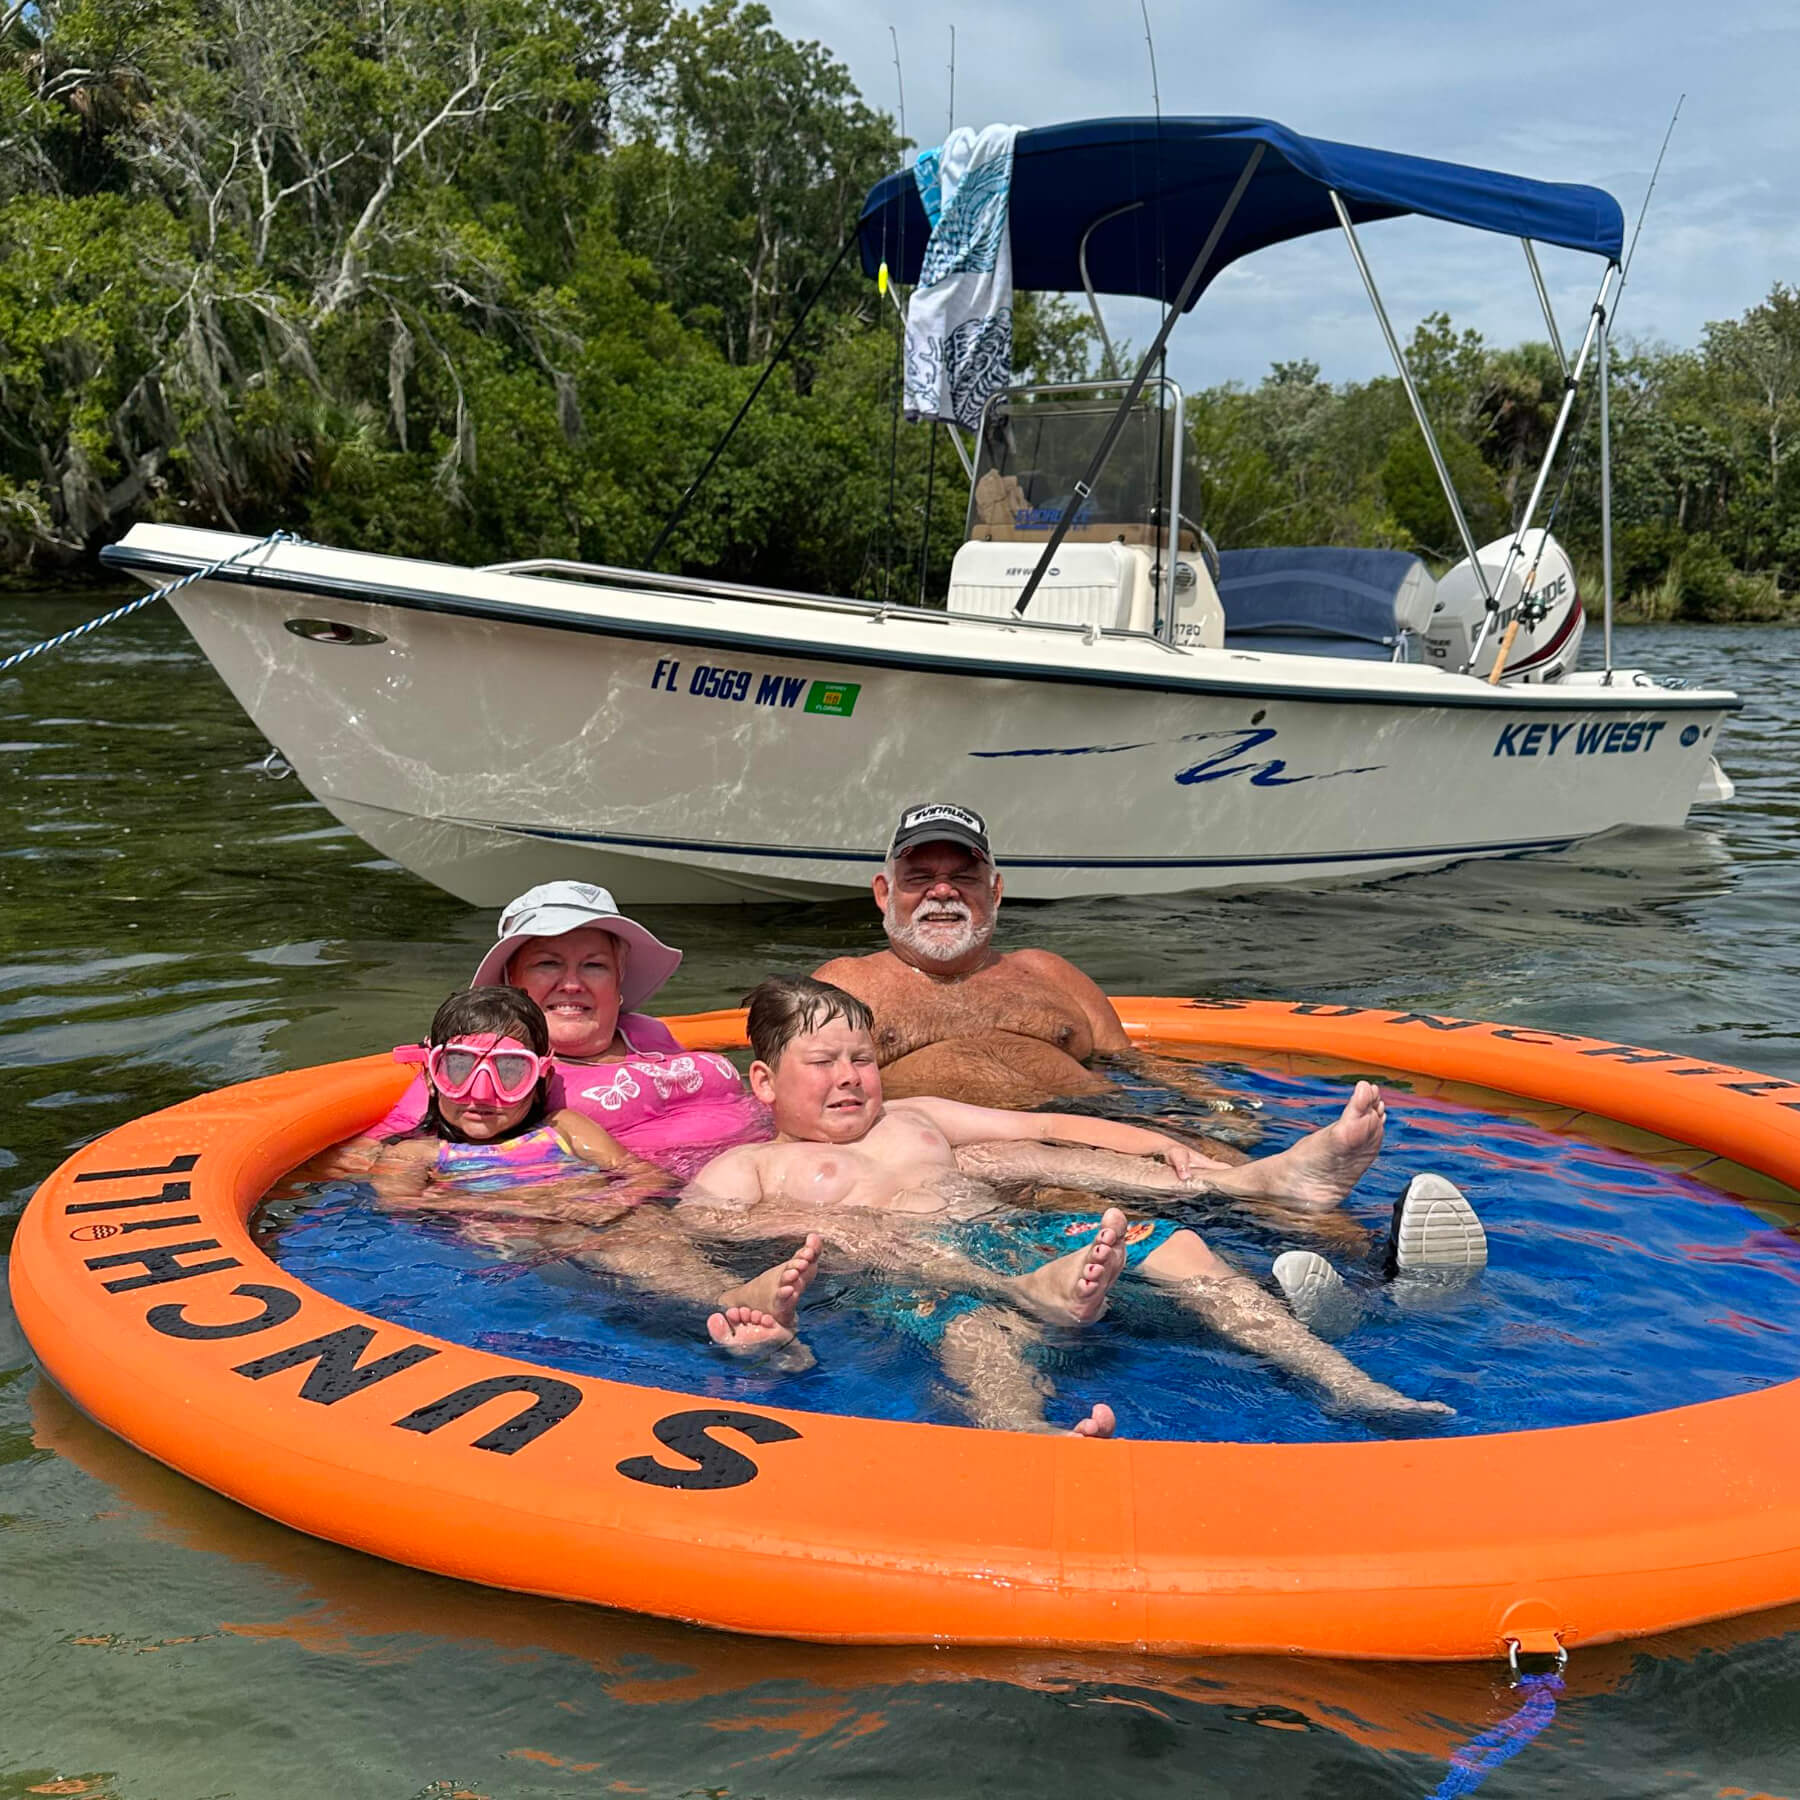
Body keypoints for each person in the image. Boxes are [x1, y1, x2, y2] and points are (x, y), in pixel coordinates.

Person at [679, 976, 1456, 1434]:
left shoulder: (910, 1117)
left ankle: (1344, 1381)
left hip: (1010, 1233)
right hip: (909, 1277)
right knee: (980, 1338)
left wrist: (1148, 1142)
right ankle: (1033, 1441)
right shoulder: (751, 1165)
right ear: (764, 1081)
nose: (851, 1076)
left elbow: (1041, 1126)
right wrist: (797, 1255)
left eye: (863, 1058)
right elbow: (700, 1230)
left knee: (1178, 1244)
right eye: (824, 1063)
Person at [343, 985, 821, 1357]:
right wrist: (521, 1205)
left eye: (509, 1072)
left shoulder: (564, 1126)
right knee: (579, 1248)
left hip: (603, 1216)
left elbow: (648, 1177)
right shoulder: (419, 1155)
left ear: (542, 1077)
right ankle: (734, 1308)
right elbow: (399, 1205)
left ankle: (741, 1311)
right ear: (430, 1072)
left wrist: (608, 1201)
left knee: (651, 1228)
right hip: (528, 1239)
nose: (481, 1092)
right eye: (460, 1069)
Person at [812, 802, 1262, 1133]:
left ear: (996, 892)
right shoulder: (844, 986)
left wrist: (1219, 1105)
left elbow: (1131, 1062)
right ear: (883, 894)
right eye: (920, 878)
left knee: (1250, 1175)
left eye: (965, 878)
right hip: (951, 1152)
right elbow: (800, 1102)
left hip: (1107, 1125)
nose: (943, 891)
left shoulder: (1048, 972)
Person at [343, 881, 770, 1180]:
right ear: (512, 982)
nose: (571, 983)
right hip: (648, 1212)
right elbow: (363, 1159)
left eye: (594, 965)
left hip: (770, 1166)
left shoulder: (649, 1034)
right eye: (548, 963)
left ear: (619, 978)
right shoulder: (481, 1069)